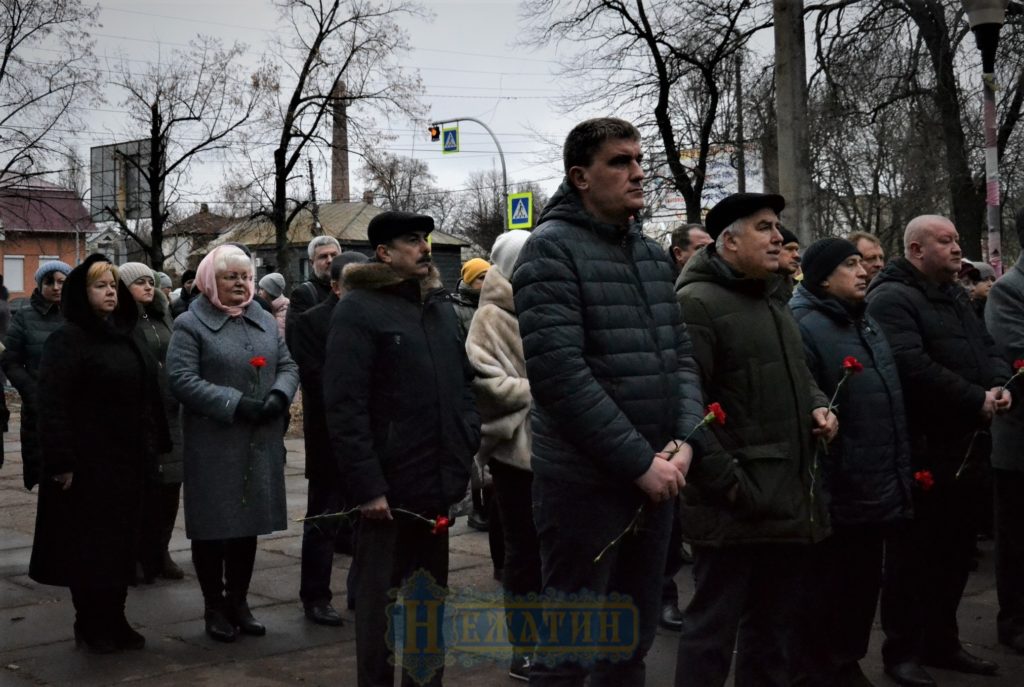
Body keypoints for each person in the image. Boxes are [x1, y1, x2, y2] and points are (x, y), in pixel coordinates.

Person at [512, 117, 705, 686]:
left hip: (657, 478)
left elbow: (683, 359)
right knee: (569, 654)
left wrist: (685, 444)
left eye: (639, 160)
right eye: (620, 162)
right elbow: (561, 378)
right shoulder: (548, 252)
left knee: (632, 643)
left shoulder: (649, 255)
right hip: (584, 488)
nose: (639, 172)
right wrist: (639, 462)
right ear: (581, 177)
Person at [673, 191, 835, 687]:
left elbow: (798, 373)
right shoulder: (695, 303)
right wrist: (732, 484)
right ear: (729, 240)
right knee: (711, 633)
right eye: (764, 227)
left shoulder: (772, 297)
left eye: (777, 228)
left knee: (772, 632)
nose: (779, 238)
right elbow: (686, 407)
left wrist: (818, 404)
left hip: (785, 492)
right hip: (734, 504)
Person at [324, 210, 480, 687]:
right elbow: (344, 407)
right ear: (384, 253)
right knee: (380, 611)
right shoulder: (359, 308)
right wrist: (369, 487)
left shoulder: (437, 306)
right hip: (387, 496)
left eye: (426, 238)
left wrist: (465, 439)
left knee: (428, 605)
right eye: (412, 240)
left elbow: (461, 386)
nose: (425, 247)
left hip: (435, 486)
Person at [866, 214, 1009, 685]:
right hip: (923, 448)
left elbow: (986, 347)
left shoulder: (951, 295)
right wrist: (975, 398)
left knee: (954, 551)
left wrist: (997, 384)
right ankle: (902, 650)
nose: (956, 248)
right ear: (915, 250)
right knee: (913, 558)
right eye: (945, 241)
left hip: (965, 444)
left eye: (956, 239)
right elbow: (910, 365)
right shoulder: (891, 299)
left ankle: (942, 643)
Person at [29, 254, 170, 653]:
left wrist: (156, 445)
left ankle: (116, 617)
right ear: (81, 293)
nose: (110, 291)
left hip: (129, 460)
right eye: (100, 285)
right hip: (88, 465)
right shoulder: (67, 340)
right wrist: (60, 461)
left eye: (113, 284)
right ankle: (89, 622)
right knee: (89, 547)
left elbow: (148, 393)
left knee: (124, 543)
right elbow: (51, 403)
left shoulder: (128, 333)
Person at [790, 238, 913, 686]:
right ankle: (825, 668)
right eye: (850, 264)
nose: (863, 271)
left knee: (862, 588)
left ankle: (845, 661)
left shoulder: (865, 321)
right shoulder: (803, 324)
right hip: (837, 489)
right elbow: (807, 404)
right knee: (830, 589)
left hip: (875, 482)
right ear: (822, 277)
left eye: (863, 263)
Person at [167, 244, 299, 643]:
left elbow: (289, 364)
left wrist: (279, 395)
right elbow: (181, 379)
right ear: (211, 281)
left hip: (259, 440)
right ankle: (214, 607)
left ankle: (239, 602)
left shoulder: (261, 318)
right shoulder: (191, 324)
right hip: (214, 443)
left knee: (247, 525)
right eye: (231, 277)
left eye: (245, 277)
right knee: (213, 527)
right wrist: (235, 403)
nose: (241, 284)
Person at [465, 229, 535, 681]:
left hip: (570, 450)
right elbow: (483, 386)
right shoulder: (489, 317)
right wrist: (544, 390)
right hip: (518, 458)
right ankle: (524, 646)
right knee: (525, 554)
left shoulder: (557, 303)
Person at [291, 252, 367, 627]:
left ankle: (363, 590)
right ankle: (316, 596)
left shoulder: (379, 317)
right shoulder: (310, 323)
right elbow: (319, 381)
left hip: (370, 438)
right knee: (324, 519)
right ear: (334, 286)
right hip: (330, 437)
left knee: (368, 519)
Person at [118, 263, 185, 583]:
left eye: (150, 281)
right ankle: (134, 555)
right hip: (140, 412)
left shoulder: (163, 315)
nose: (148, 287)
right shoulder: (120, 321)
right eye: (139, 282)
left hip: (171, 412)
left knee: (171, 485)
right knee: (141, 488)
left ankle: (161, 550)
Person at [986, 208, 1024, 656]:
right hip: (1018, 442)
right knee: (1017, 540)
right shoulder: (1009, 291)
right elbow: (1016, 359)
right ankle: (1014, 621)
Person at [2, 260, 72, 489]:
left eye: (61, 282)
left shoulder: (77, 317)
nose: (55, 287)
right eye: (49, 282)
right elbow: (10, 361)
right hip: (38, 407)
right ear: (40, 285)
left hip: (74, 408)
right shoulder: (24, 316)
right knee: (47, 473)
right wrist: (32, 391)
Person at [285, 236, 341, 349]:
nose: (330, 260)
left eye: (334, 255)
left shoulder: (350, 289)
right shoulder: (303, 294)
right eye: (323, 256)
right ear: (311, 262)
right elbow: (297, 342)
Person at [258, 272, 289, 339]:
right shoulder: (270, 308)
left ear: (270, 292)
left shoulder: (282, 316)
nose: (259, 292)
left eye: (262, 289)